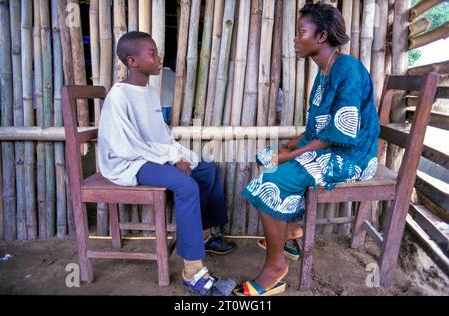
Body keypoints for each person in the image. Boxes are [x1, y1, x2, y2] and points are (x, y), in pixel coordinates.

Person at [235, 2, 380, 296]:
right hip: (331, 148)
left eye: (301, 32)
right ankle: (288, 232)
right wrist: (291, 144)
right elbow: (319, 128)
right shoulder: (325, 72)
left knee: (268, 183)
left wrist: (291, 154)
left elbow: (341, 131)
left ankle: (275, 267)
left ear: (322, 36)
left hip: (353, 157)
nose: (295, 38)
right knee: (266, 158)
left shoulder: (348, 69)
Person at [98, 31, 236, 296]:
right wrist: (172, 160)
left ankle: (204, 236)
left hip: (149, 155)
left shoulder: (149, 92)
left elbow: (159, 135)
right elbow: (126, 145)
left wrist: (180, 156)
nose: (159, 58)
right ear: (132, 61)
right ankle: (193, 271)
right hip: (128, 162)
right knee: (185, 186)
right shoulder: (119, 96)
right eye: (152, 53)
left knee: (207, 169)